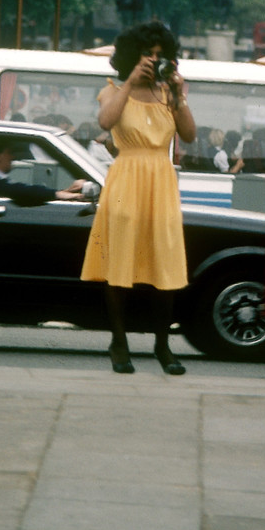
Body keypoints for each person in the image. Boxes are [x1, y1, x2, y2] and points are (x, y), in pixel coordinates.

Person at [80, 20, 196, 376]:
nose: (154, 61)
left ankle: (162, 344)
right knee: (120, 266)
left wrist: (178, 94)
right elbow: (105, 121)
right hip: (126, 181)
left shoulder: (168, 95)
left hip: (160, 183)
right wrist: (131, 81)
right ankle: (119, 342)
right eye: (148, 54)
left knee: (166, 266)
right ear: (132, 56)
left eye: (160, 56)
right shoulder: (115, 89)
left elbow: (189, 135)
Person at [0, 135, 87, 206]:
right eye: (9, 153)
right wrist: (58, 194)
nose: (12, 157)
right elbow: (20, 191)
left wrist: (65, 191)